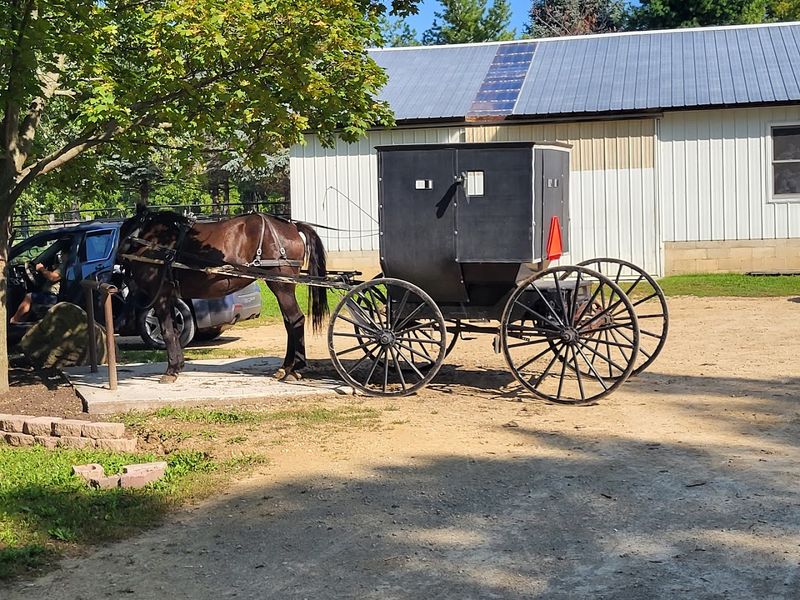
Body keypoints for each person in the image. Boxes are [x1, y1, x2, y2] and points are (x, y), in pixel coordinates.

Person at [10, 248, 69, 324]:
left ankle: (14, 320)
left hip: (54, 296)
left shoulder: (64, 266)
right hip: (50, 293)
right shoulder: (61, 265)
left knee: (29, 297)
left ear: (67, 255)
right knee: (32, 296)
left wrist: (41, 269)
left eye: (63, 253)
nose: (61, 256)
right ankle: (22, 321)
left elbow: (53, 277)